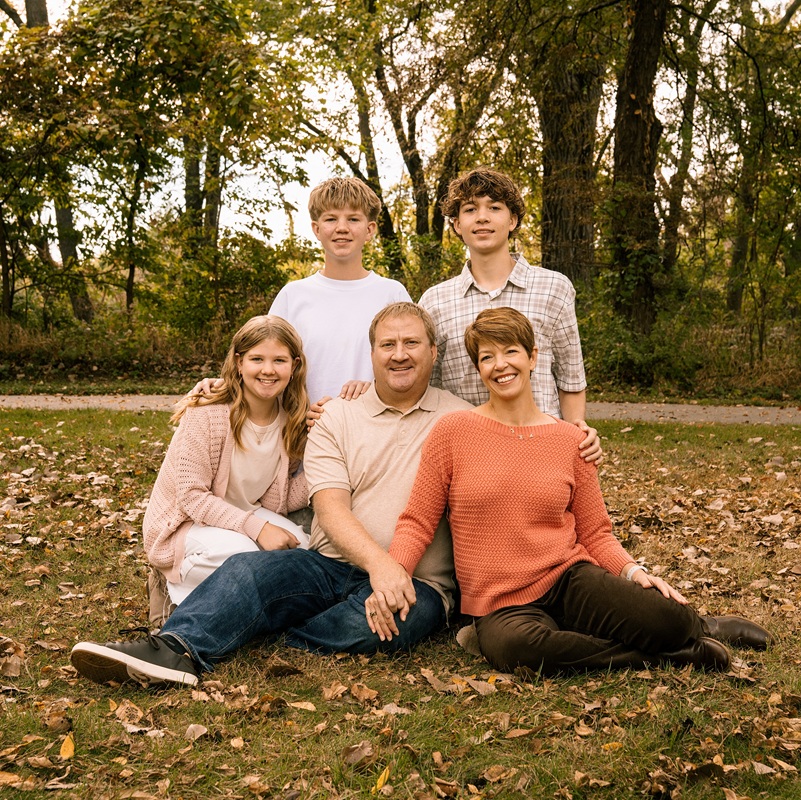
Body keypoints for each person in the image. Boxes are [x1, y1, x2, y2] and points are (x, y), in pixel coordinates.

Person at [69, 303, 470, 688]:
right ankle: (173, 648)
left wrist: (396, 575)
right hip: (329, 564)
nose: (399, 355)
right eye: (387, 344)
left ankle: (264, 629)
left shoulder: (463, 420)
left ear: (433, 352)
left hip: (415, 579)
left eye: (411, 343)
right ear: (371, 353)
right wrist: (378, 565)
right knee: (248, 571)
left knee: (378, 626)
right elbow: (328, 506)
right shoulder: (336, 416)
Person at [373, 307, 773, 674]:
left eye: (510, 351)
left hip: (567, 578)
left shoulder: (569, 439)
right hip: (500, 602)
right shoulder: (453, 432)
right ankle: (664, 656)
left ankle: (705, 626)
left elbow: (596, 532)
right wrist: (391, 576)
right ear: (479, 369)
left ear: (532, 357)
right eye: (487, 357)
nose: (500, 366)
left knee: (668, 617)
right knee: (518, 650)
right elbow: (418, 520)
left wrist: (633, 571)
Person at [419, 168, 599, 461]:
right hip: (469, 455)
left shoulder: (553, 287)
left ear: (512, 219)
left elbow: (570, 378)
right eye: (469, 209)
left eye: (494, 207)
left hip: (544, 451)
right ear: (456, 224)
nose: (482, 217)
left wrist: (576, 436)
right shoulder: (434, 301)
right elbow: (429, 388)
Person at [144, 316, 310, 613]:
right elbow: (192, 497)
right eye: (257, 358)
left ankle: (241, 602)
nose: (268, 370)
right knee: (242, 554)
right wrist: (258, 530)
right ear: (238, 362)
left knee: (304, 550)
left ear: (294, 365)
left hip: (245, 514)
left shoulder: (291, 418)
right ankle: (170, 585)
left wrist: (325, 457)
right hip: (186, 523)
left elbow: (282, 499)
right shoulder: (208, 411)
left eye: (279, 360)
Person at [268, 177, 411, 406]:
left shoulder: (392, 294)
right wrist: (220, 385)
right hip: (307, 430)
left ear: (369, 229)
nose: (342, 228)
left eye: (353, 219)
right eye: (331, 219)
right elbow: (266, 364)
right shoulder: (292, 296)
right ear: (316, 229)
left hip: (378, 429)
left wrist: (374, 390)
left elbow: (410, 366)